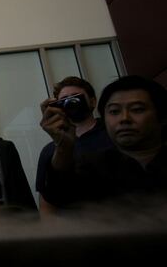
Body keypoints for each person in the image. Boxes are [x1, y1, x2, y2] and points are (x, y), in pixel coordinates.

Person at [40, 75, 167, 210]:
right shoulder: (96, 167)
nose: (124, 118)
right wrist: (63, 147)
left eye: (137, 109)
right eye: (114, 111)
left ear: (162, 116)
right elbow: (58, 198)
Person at [35, 77, 113, 216]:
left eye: (76, 98)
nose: (71, 103)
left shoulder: (114, 134)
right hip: (71, 229)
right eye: (64, 100)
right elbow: (46, 202)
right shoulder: (49, 150)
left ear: (93, 101)